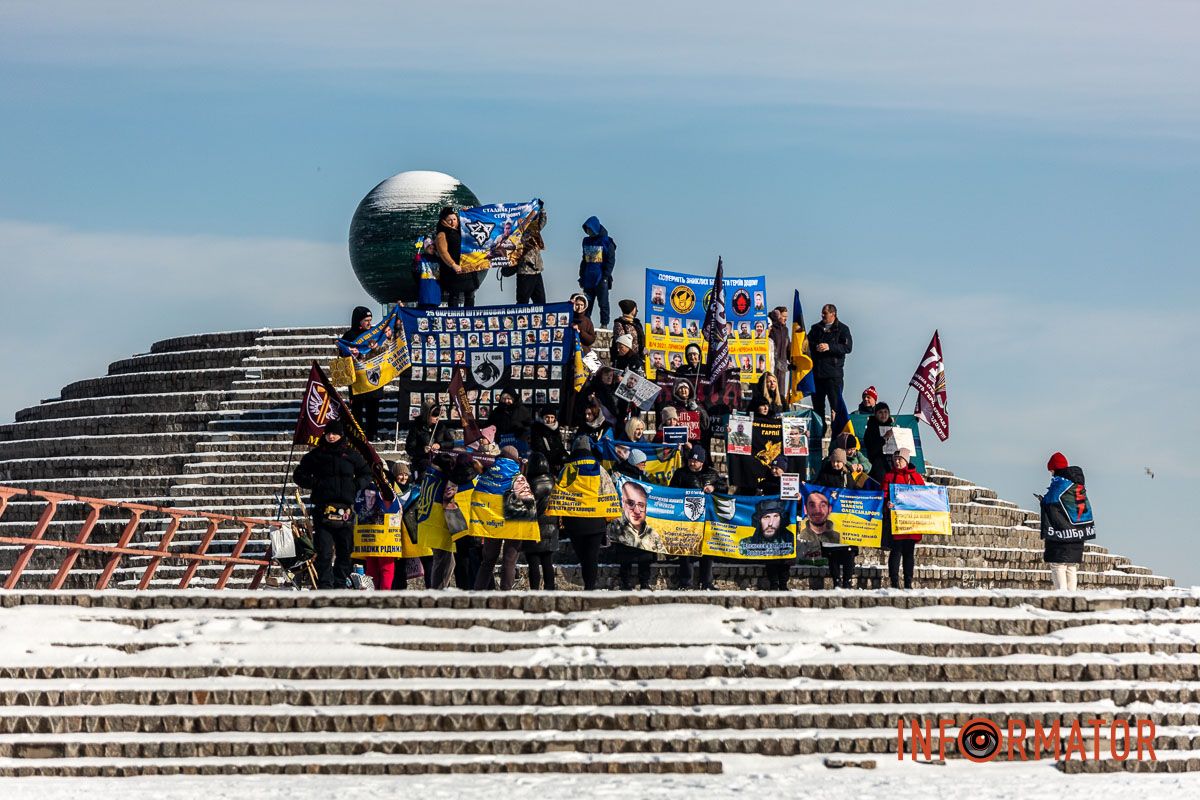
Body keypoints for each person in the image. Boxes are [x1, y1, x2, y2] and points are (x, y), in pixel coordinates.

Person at [292, 418, 371, 589]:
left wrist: (355, 486)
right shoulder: (316, 455)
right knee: (325, 552)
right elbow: (298, 475)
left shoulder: (351, 455)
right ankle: (325, 586)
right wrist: (315, 484)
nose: (331, 437)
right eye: (328, 433)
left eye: (335, 433)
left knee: (345, 551)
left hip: (346, 510)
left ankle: (340, 584)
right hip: (322, 509)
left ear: (341, 435)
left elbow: (367, 473)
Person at [559, 437, 615, 590]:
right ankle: (590, 588)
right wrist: (608, 518)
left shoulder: (567, 469)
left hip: (574, 522)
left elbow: (559, 493)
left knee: (584, 557)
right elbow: (608, 492)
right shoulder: (600, 469)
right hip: (596, 522)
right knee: (592, 557)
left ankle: (588, 586)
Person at [669, 444, 725, 590]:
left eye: (695, 461)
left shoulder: (712, 474)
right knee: (686, 550)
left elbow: (724, 488)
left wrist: (714, 488)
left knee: (707, 550)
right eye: (690, 460)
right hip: (687, 519)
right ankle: (685, 582)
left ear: (702, 461)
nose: (692, 463)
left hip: (706, 519)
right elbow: (672, 491)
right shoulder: (681, 474)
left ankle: (706, 582)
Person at [475, 447, 529, 591]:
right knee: (509, 560)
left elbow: (478, 494)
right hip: (513, 520)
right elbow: (527, 501)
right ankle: (505, 595)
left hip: (491, 521)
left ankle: (477, 593)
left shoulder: (488, 473)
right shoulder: (518, 476)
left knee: (488, 560)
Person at [1039, 452, 1093, 592]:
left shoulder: (1060, 482)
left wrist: (1042, 500)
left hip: (1063, 531)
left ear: (1055, 468)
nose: (1050, 473)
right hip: (1078, 531)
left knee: (1058, 564)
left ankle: (1061, 595)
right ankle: (1072, 595)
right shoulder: (1077, 484)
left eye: (1051, 469)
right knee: (1071, 565)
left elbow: (1050, 501)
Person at [340, 306, 386, 441]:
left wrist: (376, 347)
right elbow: (342, 355)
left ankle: (373, 433)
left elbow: (383, 351)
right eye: (366, 320)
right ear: (358, 321)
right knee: (357, 410)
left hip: (372, 376)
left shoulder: (374, 334)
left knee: (373, 408)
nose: (369, 323)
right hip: (357, 380)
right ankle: (358, 435)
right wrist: (349, 352)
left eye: (370, 320)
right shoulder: (349, 336)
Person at [881, 448, 924, 589]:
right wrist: (887, 503)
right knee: (896, 551)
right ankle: (894, 581)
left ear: (906, 461)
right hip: (896, 521)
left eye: (900, 459)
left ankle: (908, 582)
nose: (897, 462)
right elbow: (884, 494)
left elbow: (924, 496)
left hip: (912, 522)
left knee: (909, 552)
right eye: (895, 460)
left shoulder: (916, 478)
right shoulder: (889, 476)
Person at [806, 475, 856, 590]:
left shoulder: (848, 476)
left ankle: (847, 582)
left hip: (846, 521)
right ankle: (836, 582)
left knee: (849, 553)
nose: (836, 464)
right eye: (834, 461)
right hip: (830, 520)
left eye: (839, 461)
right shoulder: (824, 475)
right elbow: (815, 491)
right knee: (832, 554)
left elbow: (856, 492)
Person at [610, 478, 661, 589]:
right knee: (626, 556)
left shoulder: (645, 479)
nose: (643, 464)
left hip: (642, 527)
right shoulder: (622, 477)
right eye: (640, 462)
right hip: (626, 526)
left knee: (644, 557)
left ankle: (644, 583)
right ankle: (625, 582)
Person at [807, 303, 853, 425]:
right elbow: (806, 345)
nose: (822, 315)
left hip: (833, 375)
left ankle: (837, 434)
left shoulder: (843, 329)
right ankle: (819, 433)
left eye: (825, 313)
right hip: (817, 374)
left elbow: (847, 347)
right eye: (822, 313)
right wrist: (815, 347)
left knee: (836, 406)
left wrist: (829, 347)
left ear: (833, 314)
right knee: (817, 408)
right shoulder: (815, 328)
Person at [523, 453, 559, 590]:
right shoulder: (553, 481)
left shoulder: (528, 484)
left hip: (533, 527)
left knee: (533, 563)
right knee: (547, 562)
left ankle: (534, 591)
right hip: (551, 528)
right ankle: (550, 590)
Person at [579, 216, 616, 326]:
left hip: (601, 278)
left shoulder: (607, 242)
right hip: (588, 278)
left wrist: (605, 276)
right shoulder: (586, 241)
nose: (588, 232)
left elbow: (611, 260)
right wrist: (581, 275)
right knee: (587, 303)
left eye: (590, 229)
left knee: (603, 303)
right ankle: (586, 323)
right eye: (587, 230)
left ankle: (604, 324)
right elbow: (584, 259)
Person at [435, 206, 474, 308]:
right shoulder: (442, 234)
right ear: (444, 221)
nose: (452, 222)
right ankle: (454, 319)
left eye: (454, 219)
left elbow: (475, 224)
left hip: (467, 267)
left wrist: (468, 213)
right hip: (453, 269)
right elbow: (443, 252)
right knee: (454, 295)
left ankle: (470, 316)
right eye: (449, 220)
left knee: (470, 294)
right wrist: (453, 264)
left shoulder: (463, 230)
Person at [404, 400, 455, 476]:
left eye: (438, 415)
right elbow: (410, 449)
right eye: (434, 415)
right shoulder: (416, 428)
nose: (437, 418)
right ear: (426, 415)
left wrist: (440, 445)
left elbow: (451, 443)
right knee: (428, 467)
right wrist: (423, 449)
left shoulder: (441, 426)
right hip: (422, 459)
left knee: (449, 464)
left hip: (439, 457)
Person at [516, 210, 547, 304]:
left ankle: (540, 318)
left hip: (537, 271)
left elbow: (542, 223)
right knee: (523, 301)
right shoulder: (516, 233)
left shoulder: (532, 229)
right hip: (525, 272)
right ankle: (520, 318)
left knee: (540, 301)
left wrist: (542, 211)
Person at [863, 403, 897, 481]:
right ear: (875, 414)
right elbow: (872, 448)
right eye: (880, 412)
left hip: (892, 463)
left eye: (885, 412)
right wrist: (884, 438)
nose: (883, 415)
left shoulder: (892, 428)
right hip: (878, 465)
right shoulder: (871, 429)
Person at [530, 406, 568, 472]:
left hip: (557, 466)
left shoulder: (556, 430)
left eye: (552, 417)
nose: (550, 420)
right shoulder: (537, 430)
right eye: (547, 417)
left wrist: (565, 457)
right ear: (542, 417)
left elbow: (560, 447)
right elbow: (539, 449)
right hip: (543, 466)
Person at [768, 306, 789, 392]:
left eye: (786, 317)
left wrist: (793, 358)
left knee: (780, 392)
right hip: (771, 364)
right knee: (770, 389)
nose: (786, 319)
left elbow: (788, 346)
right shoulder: (770, 328)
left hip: (782, 366)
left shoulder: (785, 330)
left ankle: (779, 405)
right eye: (784, 316)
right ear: (778, 315)